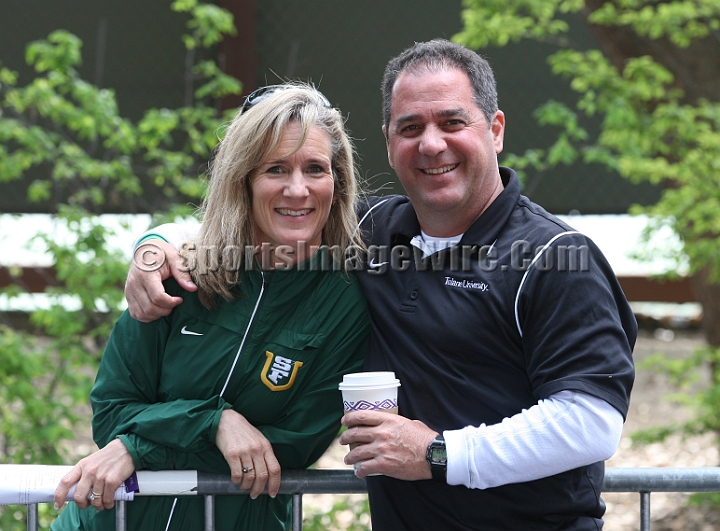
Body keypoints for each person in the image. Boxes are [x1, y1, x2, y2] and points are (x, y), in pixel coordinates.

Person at [123, 40, 636, 531]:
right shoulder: (373, 233)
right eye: (410, 127)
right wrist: (153, 244)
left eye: (452, 122)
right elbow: (264, 219)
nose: (432, 144)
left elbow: (590, 422)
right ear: (389, 141)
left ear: (495, 130)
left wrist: (438, 453)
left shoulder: (555, 259)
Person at [51, 83, 369, 531]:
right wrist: (215, 423)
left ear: (336, 184)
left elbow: (290, 448)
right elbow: (111, 412)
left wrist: (138, 446)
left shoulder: (343, 303)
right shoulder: (178, 269)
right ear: (245, 180)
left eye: (314, 168)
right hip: (107, 521)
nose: (297, 189)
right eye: (276, 168)